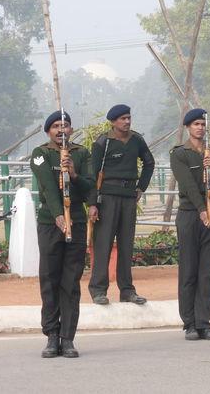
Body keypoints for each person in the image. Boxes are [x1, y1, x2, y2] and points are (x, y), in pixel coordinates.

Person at [30, 110, 94, 358]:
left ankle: (68, 338)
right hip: (50, 223)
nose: (61, 130)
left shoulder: (81, 153)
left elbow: (90, 186)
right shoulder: (40, 154)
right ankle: (52, 335)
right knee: (49, 279)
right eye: (56, 126)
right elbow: (47, 184)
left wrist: (74, 174)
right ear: (48, 131)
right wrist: (58, 216)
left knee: (70, 282)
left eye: (65, 125)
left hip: (76, 221)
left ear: (71, 130)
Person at [88, 104, 155, 305]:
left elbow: (149, 163)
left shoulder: (137, 140)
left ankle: (127, 291)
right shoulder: (103, 142)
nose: (127, 121)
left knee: (126, 245)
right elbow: (92, 174)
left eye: (128, 118)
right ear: (113, 121)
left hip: (128, 197)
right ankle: (98, 290)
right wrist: (92, 203)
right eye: (122, 119)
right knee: (103, 244)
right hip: (107, 198)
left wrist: (141, 187)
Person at [170, 108, 210, 341]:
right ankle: (189, 322)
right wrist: (202, 210)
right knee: (189, 269)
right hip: (190, 214)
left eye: (203, 124)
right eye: (196, 124)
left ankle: (204, 322)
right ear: (188, 128)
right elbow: (188, 186)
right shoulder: (180, 153)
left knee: (207, 271)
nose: (200, 128)